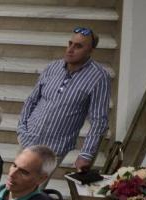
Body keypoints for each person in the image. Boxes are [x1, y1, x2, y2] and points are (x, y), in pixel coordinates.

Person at [17, 27, 110, 172]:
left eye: (78, 46)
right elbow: (32, 100)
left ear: (90, 50)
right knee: (14, 183)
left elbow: (99, 121)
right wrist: (22, 128)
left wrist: (86, 154)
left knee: (34, 191)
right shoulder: (53, 67)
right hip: (28, 139)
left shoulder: (99, 77)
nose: (70, 49)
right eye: (70, 43)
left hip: (54, 148)